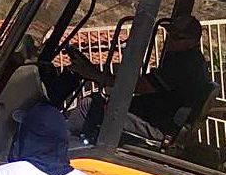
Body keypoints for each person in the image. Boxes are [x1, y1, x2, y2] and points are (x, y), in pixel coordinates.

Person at [67, 15, 210, 142]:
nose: (170, 41)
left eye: (177, 38)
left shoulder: (184, 64)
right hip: (152, 116)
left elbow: (139, 87)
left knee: (89, 106)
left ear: (193, 41)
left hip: (156, 126)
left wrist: (95, 75)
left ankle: (60, 150)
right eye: (169, 35)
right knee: (97, 103)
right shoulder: (190, 60)